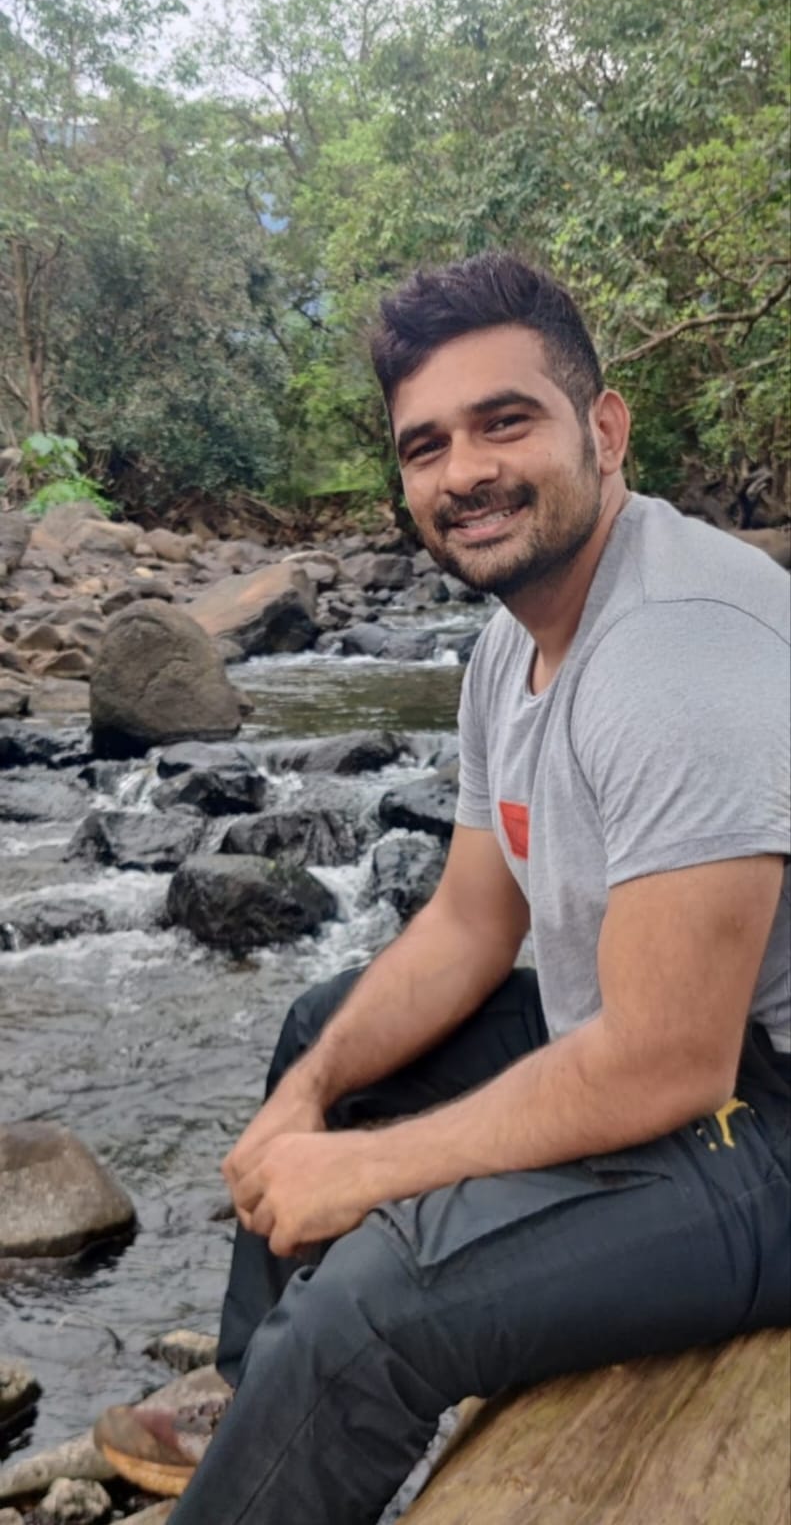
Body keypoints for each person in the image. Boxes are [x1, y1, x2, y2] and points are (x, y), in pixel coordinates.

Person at [95, 253, 790, 1523]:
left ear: (603, 430)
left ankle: (299, 1406)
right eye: (426, 445)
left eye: (503, 421)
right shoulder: (507, 650)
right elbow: (470, 924)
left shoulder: (678, 645)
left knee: (373, 1304)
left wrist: (365, 1174)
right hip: (674, 1049)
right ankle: (259, 1408)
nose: (463, 470)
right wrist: (310, 1099)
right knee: (329, 1034)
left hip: (764, 1114)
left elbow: (667, 1062)